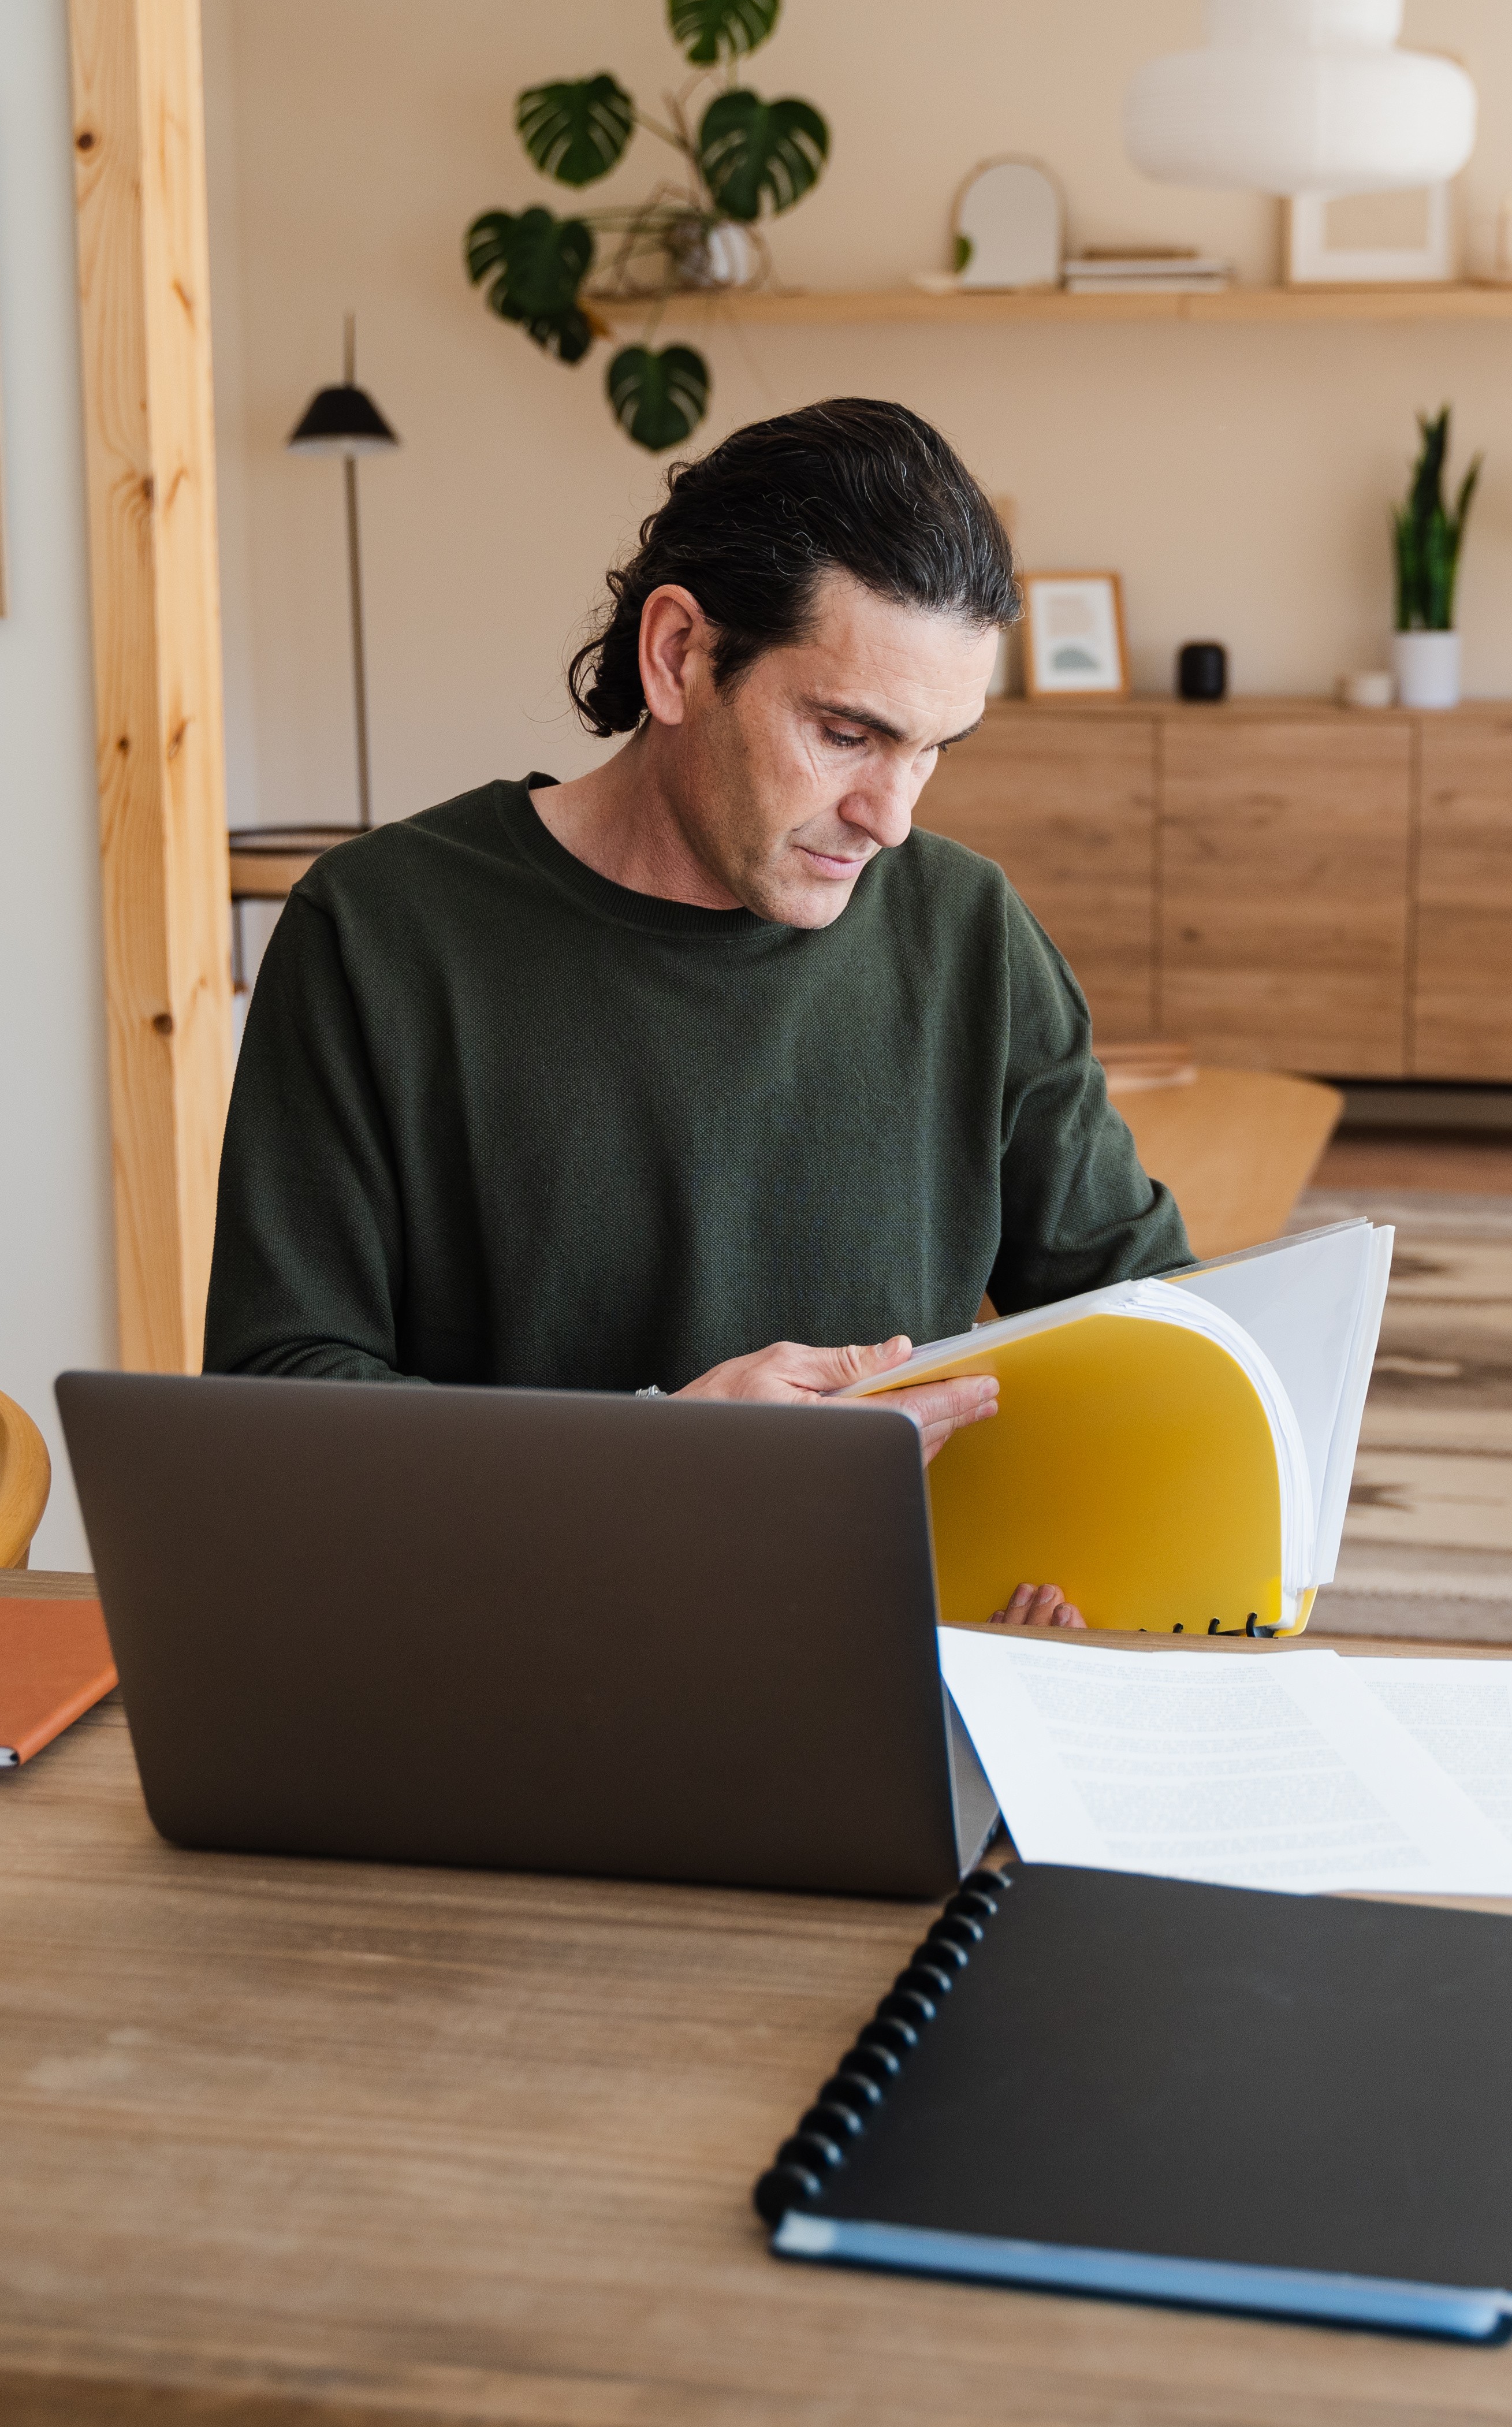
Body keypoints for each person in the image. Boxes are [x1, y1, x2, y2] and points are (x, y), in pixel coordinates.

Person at [205, 398, 1193, 1626]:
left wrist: (1086, 1566)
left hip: (886, 1682)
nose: (891, 815)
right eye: (847, 732)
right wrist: (657, 1453)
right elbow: (278, 1400)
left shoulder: (967, 934)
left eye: (936, 748)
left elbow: (1152, 1326)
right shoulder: (380, 934)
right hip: (501, 1675)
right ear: (678, 655)